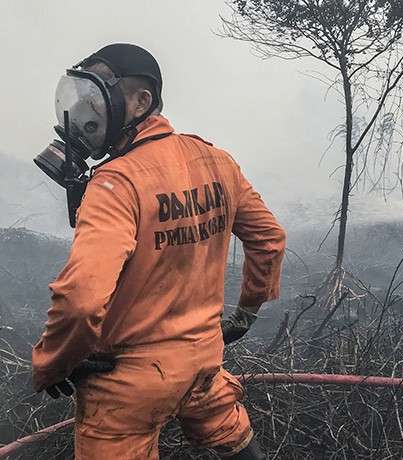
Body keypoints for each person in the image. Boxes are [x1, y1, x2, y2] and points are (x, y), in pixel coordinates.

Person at [31, 43, 285, 460]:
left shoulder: (115, 183)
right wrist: (246, 311)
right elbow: (270, 238)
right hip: (204, 362)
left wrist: (52, 364)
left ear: (140, 101)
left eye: (94, 100)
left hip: (127, 383)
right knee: (230, 432)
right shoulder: (217, 161)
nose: (84, 116)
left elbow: (80, 298)